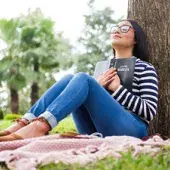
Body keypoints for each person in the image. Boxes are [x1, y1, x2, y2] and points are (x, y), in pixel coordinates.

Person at [0, 19, 158, 141]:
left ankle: (40, 126)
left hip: (132, 129)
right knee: (70, 78)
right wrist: (98, 87)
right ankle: (24, 122)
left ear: (136, 39)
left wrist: (118, 89)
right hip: (95, 130)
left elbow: (150, 112)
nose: (117, 30)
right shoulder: (102, 68)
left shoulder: (145, 68)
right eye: (115, 27)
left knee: (83, 78)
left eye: (124, 28)